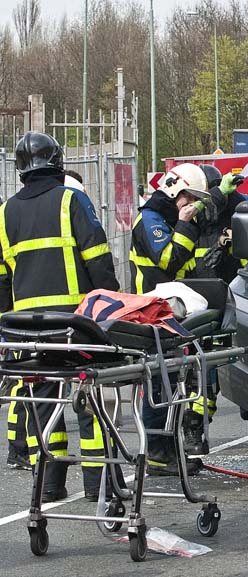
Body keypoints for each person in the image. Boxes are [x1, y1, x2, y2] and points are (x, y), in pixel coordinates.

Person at [0, 131, 119, 502]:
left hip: (26, 327)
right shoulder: (72, 200)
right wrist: (110, 307)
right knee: (91, 399)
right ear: (58, 162)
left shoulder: (5, 212)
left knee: (43, 402)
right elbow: (98, 256)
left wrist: (7, 327)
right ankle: (97, 485)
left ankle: (49, 484)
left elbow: (2, 279)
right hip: (75, 321)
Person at [129, 162, 209, 475]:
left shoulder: (165, 217)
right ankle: (158, 454)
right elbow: (169, 260)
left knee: (172, 383)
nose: (192, 205)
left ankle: (167, 449)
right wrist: (186, 226)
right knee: (158, 385)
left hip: (170, 314)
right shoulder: (150, 219)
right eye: (190, 197)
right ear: (176, 190)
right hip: (153, 314)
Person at [181, 164, 248, 454]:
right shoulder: (195, 212)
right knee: (203, 370)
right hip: (196, 302)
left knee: (246, 361)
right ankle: (194, 427)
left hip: (234, 298)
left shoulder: (237, 207)